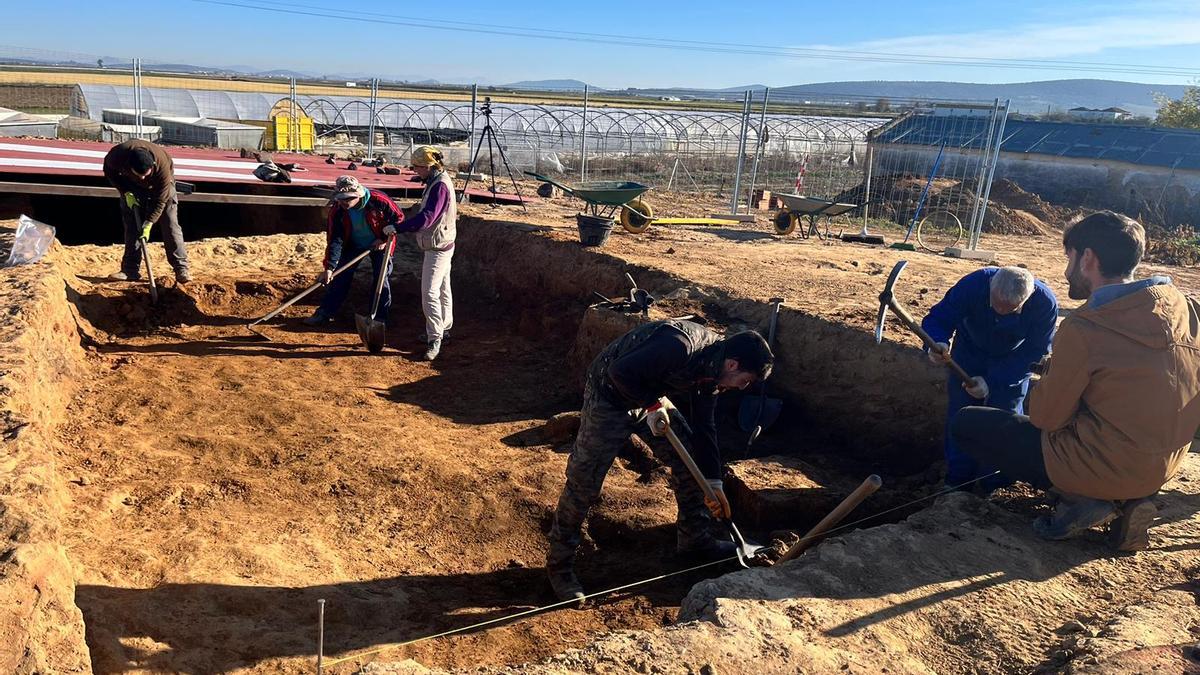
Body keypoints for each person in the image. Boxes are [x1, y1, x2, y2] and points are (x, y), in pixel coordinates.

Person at [951, 211, 1200, 551]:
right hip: (1162, 467)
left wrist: (1053, 378)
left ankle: (1082, 500)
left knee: (970, 423)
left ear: (1087, 259)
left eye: (1068, 257)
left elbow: (1046, 419)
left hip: (1102, 467)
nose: (1066, 269)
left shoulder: (1086, 328)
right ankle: (1130, 501)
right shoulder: (1184, 307)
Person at [546, 319, 774, 604]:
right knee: (584, 482)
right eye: (746, 380)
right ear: (733, 365)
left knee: (690, 461)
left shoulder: (713, 372)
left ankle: (694, 540)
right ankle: (560, 566)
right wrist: (652, 406)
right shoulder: (679, 346)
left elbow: (705, 427)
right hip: (611, 393)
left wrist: (713, 482)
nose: (743, 387)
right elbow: (621, 372)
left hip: (649, 396)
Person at [922, 266, 1058, 491]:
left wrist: (994, 381)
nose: (1001, 312)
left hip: (1013, 362)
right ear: (991, 288)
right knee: (961, 416)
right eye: (996, 305)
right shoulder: (973, 284)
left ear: (1025, 300)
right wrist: (937, 342)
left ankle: (993, 485)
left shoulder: (1045, 304)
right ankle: (957, 482)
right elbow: (939, 318)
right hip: (968, 354)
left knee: (1006, 422)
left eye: (1010, 309)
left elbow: (1036, 352)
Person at [304, 175, 403, 327]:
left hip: (381, 243)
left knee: (381, 279)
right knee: (340, 276)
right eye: (341, 198)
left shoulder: (378, 200)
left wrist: (383, 238)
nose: (344, 202)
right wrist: (329, 267)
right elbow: (334, 239)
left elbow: (398, 218)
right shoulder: (337, 210)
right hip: (353, 244)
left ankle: (379, 318)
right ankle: (324, 313)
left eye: (348, 199)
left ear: (358, 195)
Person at [394, 146, 456, 361]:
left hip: (438, 247)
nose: (415, 171)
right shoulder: (436, 181)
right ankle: (444, 328)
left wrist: (399, 228)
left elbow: (428, 217)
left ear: (429, 166)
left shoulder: (439, 187)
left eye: (417, 167)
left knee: (429, 291)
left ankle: (435, 337)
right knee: (442, 289)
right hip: (443, 242)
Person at [102, 139, 191, 283]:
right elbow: (109, 172)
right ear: (129, 166)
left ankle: (181, 269)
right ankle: (130, 270)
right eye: (139, 174)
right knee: (132, 226)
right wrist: (125, 191)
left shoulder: (162, 166)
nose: (143, 178)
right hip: (131, 187)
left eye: (146, 174)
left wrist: (149, 222)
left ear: (153, 165)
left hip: (161, 189)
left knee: (170, 224)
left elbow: (160, 201)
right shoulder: (117, 156)